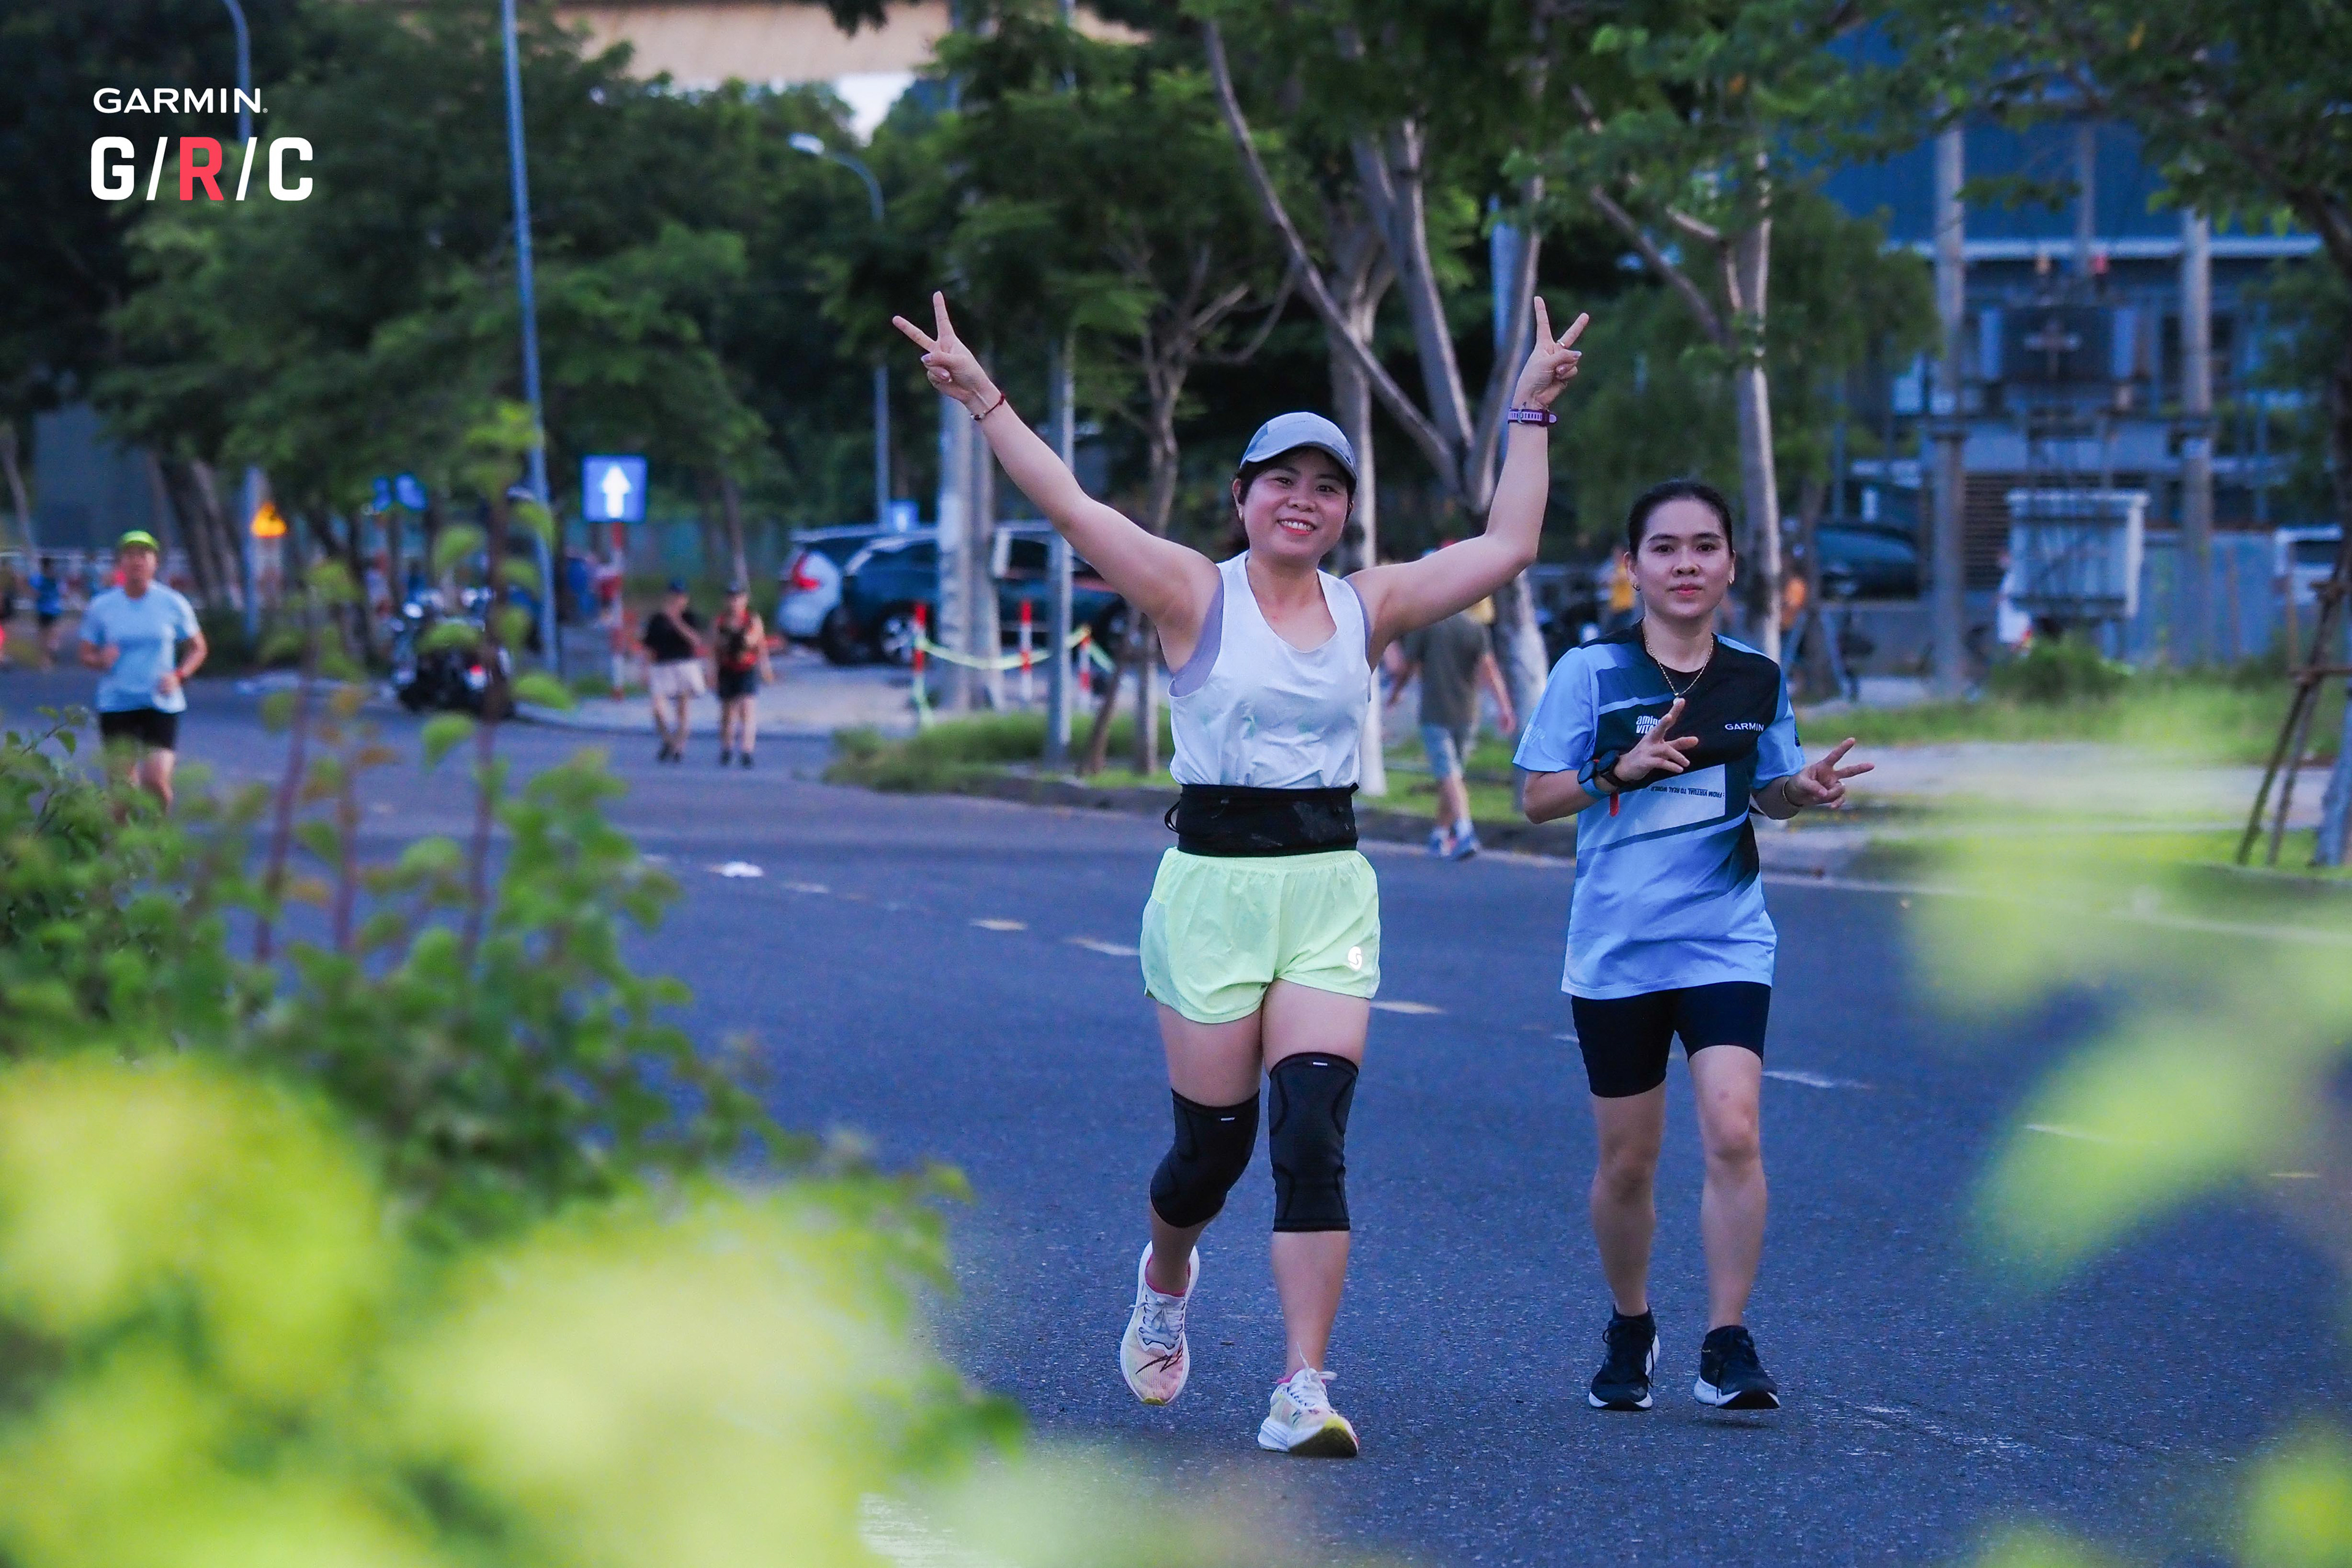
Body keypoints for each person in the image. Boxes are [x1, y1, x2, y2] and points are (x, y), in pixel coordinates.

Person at [895, 289, 1588, 1456]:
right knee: (1208, 1151)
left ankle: (1303, 1387)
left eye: (1326, 487)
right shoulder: (1188, 590)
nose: (1303, 502)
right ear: (1244, 496)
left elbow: (1508, 546)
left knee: (1311, 1131)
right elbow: (1069, 506)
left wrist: (1528, 409)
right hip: (1212, 888)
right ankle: (1166, 1276)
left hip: (1325, 882)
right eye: (1283, 481)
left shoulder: (1367, 605)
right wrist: (985, 400)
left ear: (1343, 512)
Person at [1513, 480, 1871, 1415]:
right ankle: (1631, 1324)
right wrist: (1614, 771)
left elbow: (1767, 790)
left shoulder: (1757, 677)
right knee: (1628, 1162)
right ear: (1632, 567)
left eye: (1705, 547)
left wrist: (1805, 791)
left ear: (1730, 566)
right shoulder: (1589, 673)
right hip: (1619, 949)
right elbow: (1537, 797)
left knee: (1735, 1129)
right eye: (1664, 548)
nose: (1685, 564)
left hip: (1725, 938)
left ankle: (1726, 1343)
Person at [77, 530, 206, 810]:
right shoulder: (102, 606)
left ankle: (159, 841)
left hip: (160, 702)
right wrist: (100, 659)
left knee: (155, 781)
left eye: (143, 555)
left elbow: (198, 647)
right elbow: (85, 653)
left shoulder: (172, 603)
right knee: (121, 786)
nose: (137, 561)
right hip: (117, 702)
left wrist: (179, 676)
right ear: (120, 563)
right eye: (130, 555)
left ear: (154, 563)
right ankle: (123, 849)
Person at [1389, 598, 1516, 859]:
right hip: (1468, 714)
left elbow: (1407, 667)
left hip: (1435, 713)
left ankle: (1464, 831)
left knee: (1450, 776)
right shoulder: (1475, 628)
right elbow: (1489, 668)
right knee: (1453, 776)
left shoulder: (1427, 627)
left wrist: (1395, 693)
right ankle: (1439, 835)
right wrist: (1505, 707)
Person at [641, 581, 705, 763]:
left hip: (684, 665)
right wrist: (644, 669)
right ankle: (668, 740)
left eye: (681, 596)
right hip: (662, 666)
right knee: (657, 709)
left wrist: (676, 621)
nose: (677, 600)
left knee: (683, 709)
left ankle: (679, 747)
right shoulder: (657, 619)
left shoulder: (690, 617)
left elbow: (695, 641)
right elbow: (648, 646)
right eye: (674, 596)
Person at [712, 582, 774, 768]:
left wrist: (765, 669)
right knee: (728, 712)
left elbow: (760, 645)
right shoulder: (720, 622)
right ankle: (727, 748)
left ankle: (747, 750)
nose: (735, 602)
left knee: (747, 708)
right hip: (727, 669)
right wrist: (711, 673)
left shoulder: (752, 620)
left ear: (745, 600)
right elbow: (713, 649)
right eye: (731, 598)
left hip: (746, 668)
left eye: (738, 598)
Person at [32, 556, 64, 669]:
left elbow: (34, 594)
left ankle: (45, 660)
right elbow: (62, 592)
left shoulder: (37, 578)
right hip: (54, 609)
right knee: (53, 633)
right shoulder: (56, 578)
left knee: (43, 635)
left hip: (42, 609)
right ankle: (51, 650)